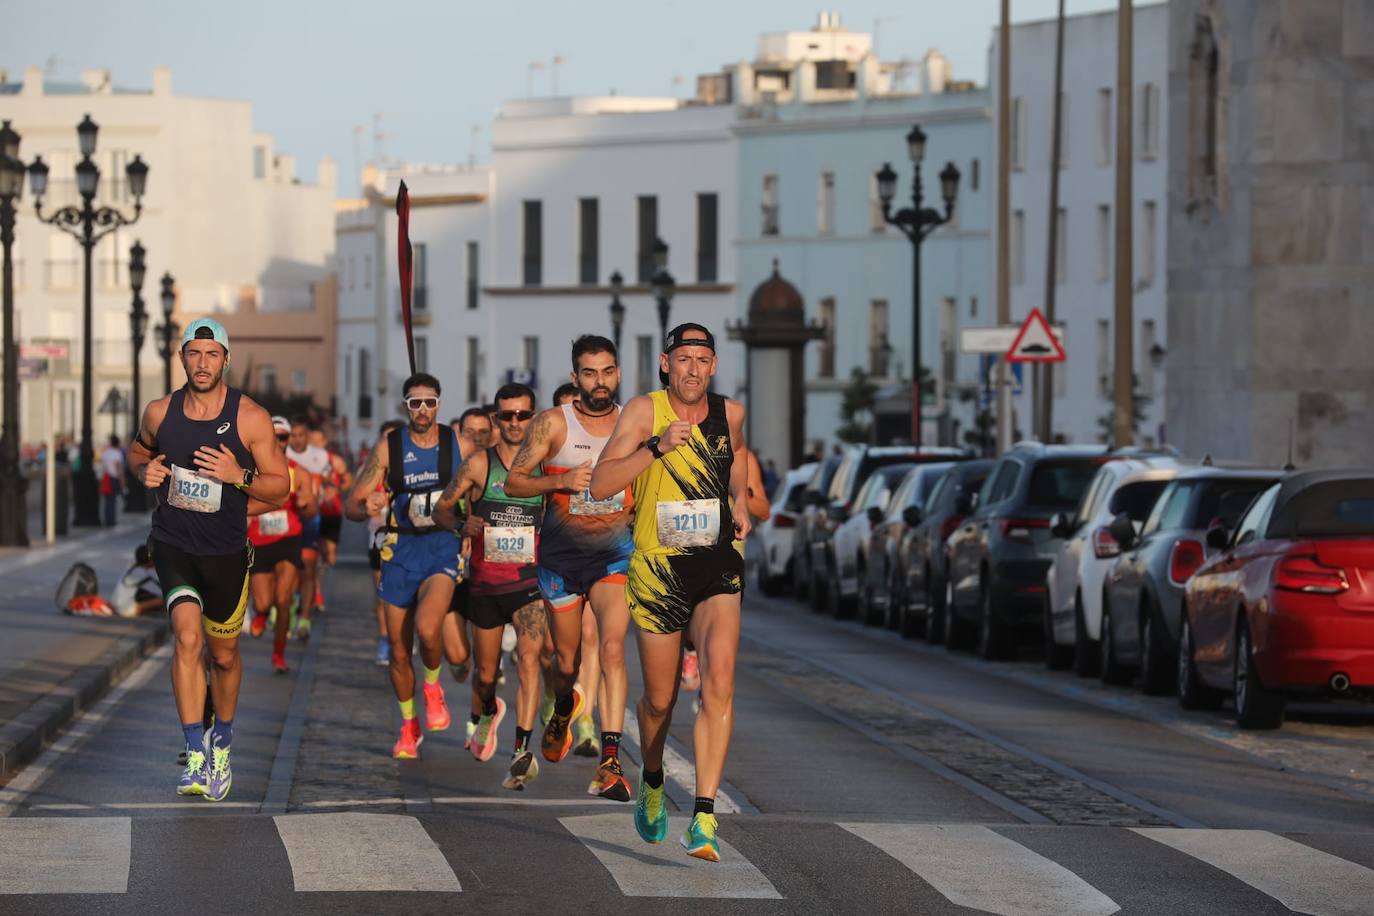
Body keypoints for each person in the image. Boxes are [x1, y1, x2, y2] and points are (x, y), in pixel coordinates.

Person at [589, 322, 751, 863]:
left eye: (703, 360)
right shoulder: (642, 411)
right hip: (659, 571)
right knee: (659, 702)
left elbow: (738, 462)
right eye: (684, 359)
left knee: (719, 679)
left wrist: (742, 503)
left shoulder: (731, 414)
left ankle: (704, 818)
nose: (694, 370)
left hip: (717, 564)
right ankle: (653, 776)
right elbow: (601, 484)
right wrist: (655, 448)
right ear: (666, 364)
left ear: (714, 366)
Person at [128, 318, 290, 802]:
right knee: (186, 639)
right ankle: (195, 749)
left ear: (225, 359)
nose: (202, 363)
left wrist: (238, 475)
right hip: (174, 544)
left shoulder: (251, 418)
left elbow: (279, 487)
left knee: (223, 655)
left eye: (211, 354)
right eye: (194, 354)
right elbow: (137, 450)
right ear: (182, 358)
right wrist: (145, 470)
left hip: (225, 552)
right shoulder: (160, 412)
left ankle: (223, 738)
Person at [505, 335, 634, 801]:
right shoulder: (552, 425)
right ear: (575, 376)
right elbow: (515, 481)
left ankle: (611, 762)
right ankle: (563, 706)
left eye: (607, 371)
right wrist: (560, 479)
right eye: (589, 372)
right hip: (560, 560)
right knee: (566, 662)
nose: (599, 382)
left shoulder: (632, 423)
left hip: (614, 556)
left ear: (617, 372)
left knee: (614, 648)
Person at [433, 383, 547, 791]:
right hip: (485, 585)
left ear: (535, 418)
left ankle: (521, 749)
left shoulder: (547, 464)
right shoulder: (480, 465)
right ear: (497, 419)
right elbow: (440, 509)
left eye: (523, 415)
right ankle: (486, 712)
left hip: (529, 582)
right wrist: (464, 524)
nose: (515, 422)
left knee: (530, 660)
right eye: (507, 416)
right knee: (485, 675)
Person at [345, 375, 466, 759]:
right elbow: (352, 502)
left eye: (429, 402)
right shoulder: (389, 448)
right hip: (400, 550)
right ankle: (408, 724)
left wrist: (472, 522)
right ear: (405, 406)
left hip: (441, 548)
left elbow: (479, 486)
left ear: (439, 404)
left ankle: (432, 685)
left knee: (429, 628)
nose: (423, 410)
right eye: (415, 403)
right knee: (399, 650)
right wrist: (366, 506)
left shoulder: (454, 443)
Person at [247, 416, 317, 673]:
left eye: (283, 437)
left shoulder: (299, 472)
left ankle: (279, 655)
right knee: (264, 602)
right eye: (274, 436)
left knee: (284, 599)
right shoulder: (252, 470)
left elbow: (311, 511)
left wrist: (306, 504)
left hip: (288, 539)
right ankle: (262, 613)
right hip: (259, 541)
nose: (279, 442)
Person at [286, 418, 330, 639]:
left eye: (299, 435)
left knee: (309, 567)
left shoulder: (319, 456)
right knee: (291, 570)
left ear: (307, 436)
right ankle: (289, 609)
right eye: (290, 435)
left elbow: (332, 477)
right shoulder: (282, 455)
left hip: (312, 516)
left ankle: (304, 618)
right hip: (288, 516)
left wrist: (329, 489)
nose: (295, 439)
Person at [367, 419, 405, 667]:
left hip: (411, 539)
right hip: (380, 538)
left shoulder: (413, 469)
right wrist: (369, 504)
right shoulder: (373, 469)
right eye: (386, 439)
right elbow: (358, 501)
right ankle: (384, 639)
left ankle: (403, 638)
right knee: (383, 593)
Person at [309, 427, 352, 573]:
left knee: (330, 549)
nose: (314, 444)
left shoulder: (334, 461)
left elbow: (348, 480)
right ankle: (317, 583)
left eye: (317, 441)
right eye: (311, 441)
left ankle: (329, 584)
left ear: (324, 442)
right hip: (311, 511)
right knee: (314, 550)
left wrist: (337, 490)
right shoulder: (301, 461)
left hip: (332, 509)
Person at [110, 544, 163, 618]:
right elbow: (161, 591)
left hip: (115, 606)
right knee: (163, 600)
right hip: (124, 611)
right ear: (150, 560)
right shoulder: (142, 574)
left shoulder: (131, 569)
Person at [100, 434, 124, 527]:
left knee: (107, 500)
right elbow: (119, 468)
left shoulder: (106, 453)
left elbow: (103, 467)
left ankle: (107, 519)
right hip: (114, 478)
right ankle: (112, 520)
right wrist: (122, 481)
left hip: (106, 477)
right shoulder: (117, 454)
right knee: (113, 500)